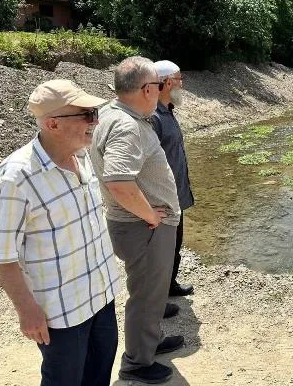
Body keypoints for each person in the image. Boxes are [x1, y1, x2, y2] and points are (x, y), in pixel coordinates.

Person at [0, 79, 120, 386]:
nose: (95, 121)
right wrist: (27, 310)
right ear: (53, 124)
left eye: (94, 113)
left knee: (98, 376)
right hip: (61, 313)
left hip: (101, 297)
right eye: (86, 115)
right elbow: (1, 255)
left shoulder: (82, 156)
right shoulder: (17, 177)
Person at [90, 56, 184, 384]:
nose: (162, 91)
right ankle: (137, 363)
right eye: (159, 86)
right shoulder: (127, 125)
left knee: (152, 291)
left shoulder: (113, 113)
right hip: (143, 228)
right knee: (146, 294)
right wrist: (151, 215)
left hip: (140, 226)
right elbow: (118, 181)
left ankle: (150, 341)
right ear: (147, 89)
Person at [150, 60, 195, 297]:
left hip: (175, 195)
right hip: (162, 200)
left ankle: (169, 286)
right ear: (167, 83)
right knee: (161, 250)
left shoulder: (167, 110)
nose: (182, 85)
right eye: (179, 80)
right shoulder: (154, 117)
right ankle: (157, 299)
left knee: (174, 246)